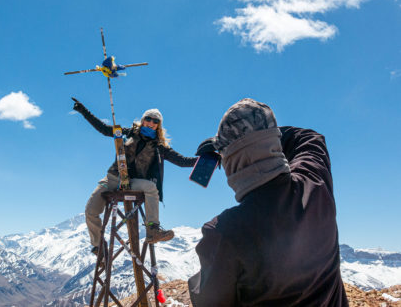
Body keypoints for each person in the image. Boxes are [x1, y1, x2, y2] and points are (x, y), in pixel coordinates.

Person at [188, 98, 348, 306]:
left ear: (229, 161)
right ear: (274, 142)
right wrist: (261, 131)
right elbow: (309, 138)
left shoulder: (224, 232)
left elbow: (208, 301)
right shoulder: (315, 185)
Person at [72, 98, 197, 254]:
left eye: (155, 121)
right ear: (143, 120)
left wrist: (204, 160)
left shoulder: (159, 146)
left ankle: (153, 230)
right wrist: (84, 111)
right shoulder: (127, 133)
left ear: (158, 125)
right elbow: (104, 129)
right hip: (112, 178)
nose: (150, 122)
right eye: (148, 119)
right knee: (91, 210)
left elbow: (182, 161)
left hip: (131, 182)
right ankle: (99, 246)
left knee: (151, 188)